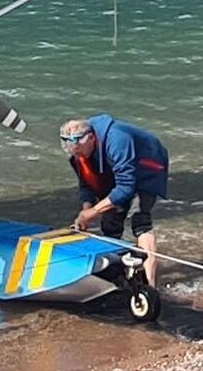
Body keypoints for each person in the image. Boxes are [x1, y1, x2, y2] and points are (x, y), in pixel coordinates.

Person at [60, 112, 168, 289]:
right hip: (116, 170)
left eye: (78, 149)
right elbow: (86, 183)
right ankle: (116, 274)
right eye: (72, 150)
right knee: (110, 224)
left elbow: (126, 187)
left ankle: (150, 285)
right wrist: (86, 211)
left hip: (148, 167)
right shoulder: (77, 154)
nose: (76, 154)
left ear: (91, 138)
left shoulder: (118, 139)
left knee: (139, 220)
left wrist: (93, 212)